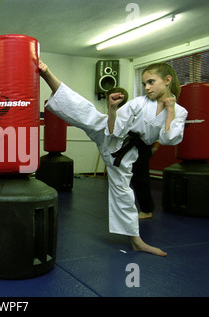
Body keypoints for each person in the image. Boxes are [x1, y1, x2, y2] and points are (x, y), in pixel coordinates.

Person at [39, 60, 188, 256]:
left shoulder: (180, 112)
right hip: (110, 133)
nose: (146, 88)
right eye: (144, 84)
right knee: (84, 110)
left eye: (151, 82)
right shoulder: (138, 103)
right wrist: (111, 109)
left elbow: (169, 138)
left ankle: (136, 242)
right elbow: (113, 130)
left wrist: (170, 109)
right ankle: (47, 73)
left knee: (123, 192)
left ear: (168, 80)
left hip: (127, 153)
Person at [105, 87, 158, 220]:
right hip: (129, 146)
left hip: (138, 144)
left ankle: (146, 210)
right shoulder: (116, 111)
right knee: (124, 178)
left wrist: (155, 146)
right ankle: (126, 209)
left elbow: (154, 126)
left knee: (140, 178)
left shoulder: (132, 109)